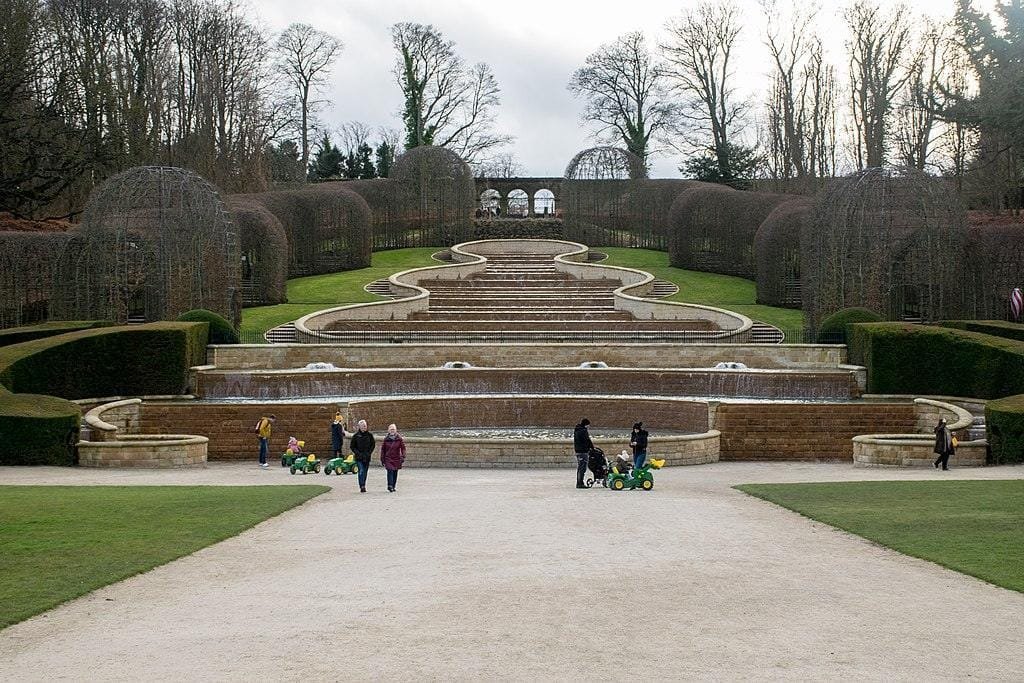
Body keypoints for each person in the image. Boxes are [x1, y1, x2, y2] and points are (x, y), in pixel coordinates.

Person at [350, 419, 375, 493]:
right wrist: (357, 453)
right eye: (363, 426)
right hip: (359, 457)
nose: (364, 427)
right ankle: (362, 486)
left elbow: (372, 445)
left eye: (365, 426)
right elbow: (352, 446)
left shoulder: (369, 435)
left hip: (367, 457)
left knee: (365, 472)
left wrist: (369, 453)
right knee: (361, 471)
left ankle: (363, 484)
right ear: (359, 427)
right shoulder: (356, 436)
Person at [380, 423, 406, 492]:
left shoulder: (399, 439)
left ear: (396, 430)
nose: (392, 431)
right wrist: (382, 459)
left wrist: (403, 456)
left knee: (395, 472)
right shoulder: (386, 439)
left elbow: (403, 448)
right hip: (388, 458)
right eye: (391, 429)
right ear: (388, 430)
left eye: (393, 429)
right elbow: (383, 449)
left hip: (396, 458)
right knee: (390, 471)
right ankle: (390, 485)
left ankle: (393, 485)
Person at [573, 418, 593, 489]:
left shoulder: (577, 430)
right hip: (583, 451)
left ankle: (579, 482)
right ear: (586, 424)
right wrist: (591, 447)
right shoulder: (583, 431)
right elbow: (587, 440)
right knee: (582, 468)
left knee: (580, 467)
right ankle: (580, 483)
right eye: (588, 425)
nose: (588, 427)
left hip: (578, 451)